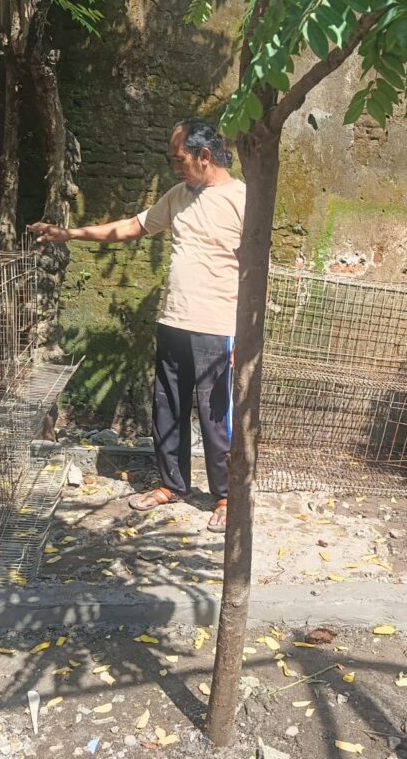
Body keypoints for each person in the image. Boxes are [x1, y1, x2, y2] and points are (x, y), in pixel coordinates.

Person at [28, 119, 244, 533]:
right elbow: (132, 227)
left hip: (218, 327)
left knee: (217, 417)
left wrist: (246, 335)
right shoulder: (178, 196)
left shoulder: (242, 200)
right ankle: (171, 485)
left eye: (179, 159)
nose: (174, 167)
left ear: (204, 156)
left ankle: (226, 496)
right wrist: (70, 233)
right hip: (174, 321)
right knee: (168, 408)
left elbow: (256, 270)